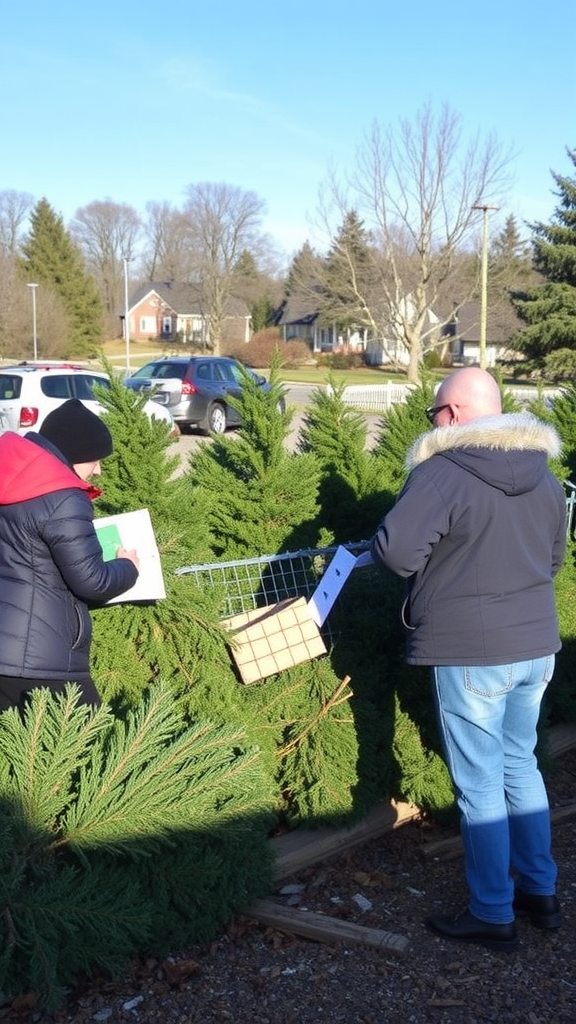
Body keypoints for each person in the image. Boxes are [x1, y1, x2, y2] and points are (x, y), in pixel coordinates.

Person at [369, 367, 566, 952]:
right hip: (536, 648)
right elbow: (554, 560)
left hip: (471, 651)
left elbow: (396, 555)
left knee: (480, 785)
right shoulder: (546, 476)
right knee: (519, 766)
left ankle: (492, 911)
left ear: (452, 415)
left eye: (434, 414)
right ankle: (541, 891)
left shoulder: (443, 474)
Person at [0, 398, 140, 712]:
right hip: (42, 660)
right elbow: (93, 582)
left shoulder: (9, 474)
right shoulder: (62, 498)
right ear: (75, 453)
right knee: (87, 746)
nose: (99, 470)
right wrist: (128, 566)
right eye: (95, 460)